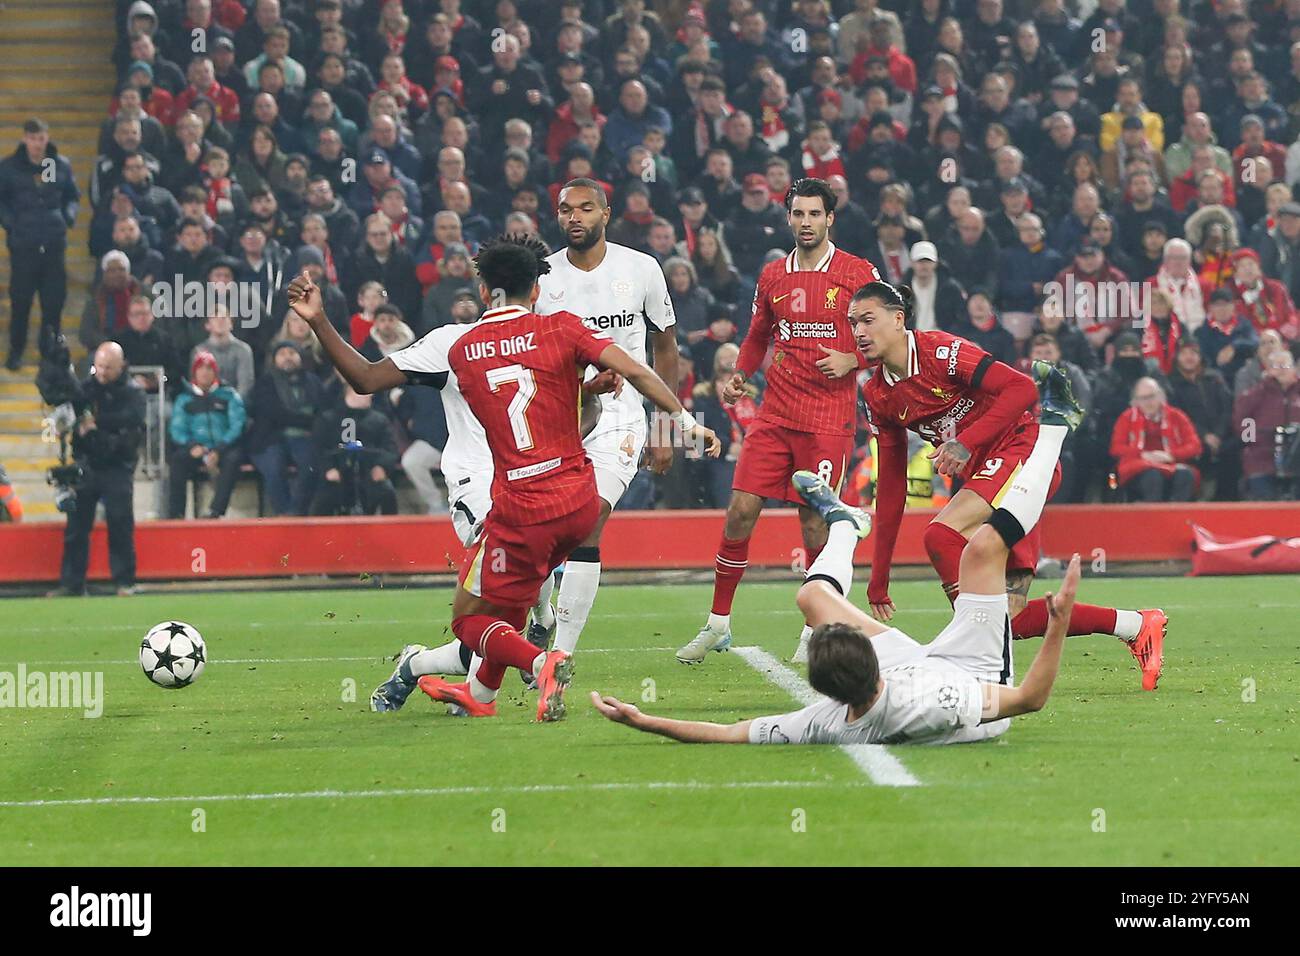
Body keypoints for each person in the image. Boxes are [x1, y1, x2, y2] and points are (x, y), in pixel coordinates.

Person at [284, 236, 720, 721]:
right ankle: (467, 679)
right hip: (573, 501)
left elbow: (364, 379)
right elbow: (606, 398)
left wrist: (320, 320)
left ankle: (543, 656)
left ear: (482, 287)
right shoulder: (560, 331)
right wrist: (680, 422)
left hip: (509, 505)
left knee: (471, 623)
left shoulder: (458, 345)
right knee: (494, 637)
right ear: (538, 290)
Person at [593, 447, 1089, 745]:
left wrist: (646, 720)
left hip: (914, 669)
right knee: (980, 550)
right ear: (873, 664)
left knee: (811, 597)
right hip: (973, 674)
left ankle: (846, 524)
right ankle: (1051, 433)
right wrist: (1060, 622)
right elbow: (1029, 699)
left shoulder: (823, 720)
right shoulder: (929, 704)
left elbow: (729, 732)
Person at [847, 281, 1165, 689]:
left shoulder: (940, 351)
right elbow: (890, 484)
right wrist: (880, 571)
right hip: (984, 476)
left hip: (1022, 452)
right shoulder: (876, 394)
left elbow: (1021, 387)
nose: (858, 332)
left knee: (941, 535)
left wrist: (966, 441)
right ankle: (1136, 625)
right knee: (1008, 620)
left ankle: (967, 658)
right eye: (853, 322)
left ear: (898, 318)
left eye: (867, 320)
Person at [678, 177, 881, 665]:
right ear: (788, 218)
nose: (806, 222)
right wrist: (740, 375)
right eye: (798, 214)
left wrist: (853, 360)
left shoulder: (857, 272)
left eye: (815, 214)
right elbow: (756, 336)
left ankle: (814, 627)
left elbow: (892, 333)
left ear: (830, 218)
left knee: (812, 522)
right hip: (776, 414)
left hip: (828, 420)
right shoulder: (772, 275)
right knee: (740, 511)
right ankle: (718, 623)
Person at [528, 179, 682, 660]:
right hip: (557, 416)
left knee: (589, 520)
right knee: (537, 530)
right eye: (565, 210)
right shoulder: (542, 276)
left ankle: (560, 659)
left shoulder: (642, 268)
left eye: (585, 208)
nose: (574, 217)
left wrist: (664, 426)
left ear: (606, 214)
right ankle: (541, 617)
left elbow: (665, 348)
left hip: (622, 415)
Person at [55, 342, 144, 597]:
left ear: (121, 366)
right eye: (100, 366)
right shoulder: (84, 389)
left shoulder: (133, 392)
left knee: (120, 523)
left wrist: (96, 424)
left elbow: (132, 422)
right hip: (87, 464)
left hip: (118, 466)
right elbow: (73, 418)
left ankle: (124, 580)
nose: (102, 372)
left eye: (108, 368)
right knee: (76, 526)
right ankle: (72, 583)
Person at [0, 119, 80, 370]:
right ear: (25, 139)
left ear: (47, 138)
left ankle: (49, 352)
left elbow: (72, 196)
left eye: (41, 138)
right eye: (33, 138)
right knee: (21, 302)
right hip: (23, 245)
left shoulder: (58, 165)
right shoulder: (9, 167)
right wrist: (11, 224)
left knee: (53, 302)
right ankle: (16, 351)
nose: (37, 143)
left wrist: (67, 217)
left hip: (54, 243)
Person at [167, 351, 246, 518]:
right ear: (194, 372)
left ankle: (215, 511)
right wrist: (192, 446)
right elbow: (177, 428)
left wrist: (219, 450)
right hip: (196, 448)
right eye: (201, 368)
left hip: (223, 448)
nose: (205, 372)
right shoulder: (184, 399)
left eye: (209, 368)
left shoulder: (229, 395)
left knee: (234, 459)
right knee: (177, 460)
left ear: (215, 372)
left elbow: (237, 425)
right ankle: (176, 515)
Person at [1110, 377, 1203, 502]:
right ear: (1136, 401)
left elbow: (1195, 445)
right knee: (1153, 475)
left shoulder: (1177, 416)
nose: (1148, 402)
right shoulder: (1126, 418)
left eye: (1152, 396)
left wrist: (1170, 456)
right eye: (1143, 398)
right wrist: (1142, 455)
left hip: (1171, 463)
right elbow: (1116, 447)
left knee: (1185, 475)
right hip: (1139, 467)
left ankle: (1176, 518)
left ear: (1160, 396)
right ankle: (1153, 519)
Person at [1234, 351, 1300, 499]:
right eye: (1277, 365)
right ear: (1268, 370)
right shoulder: (1254, 394)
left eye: (1286, 365)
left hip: (1297, 461)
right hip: (1262, 459)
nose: (1282, 369)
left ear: (1294, 369)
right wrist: (1252, 440)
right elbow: (1243, 421)